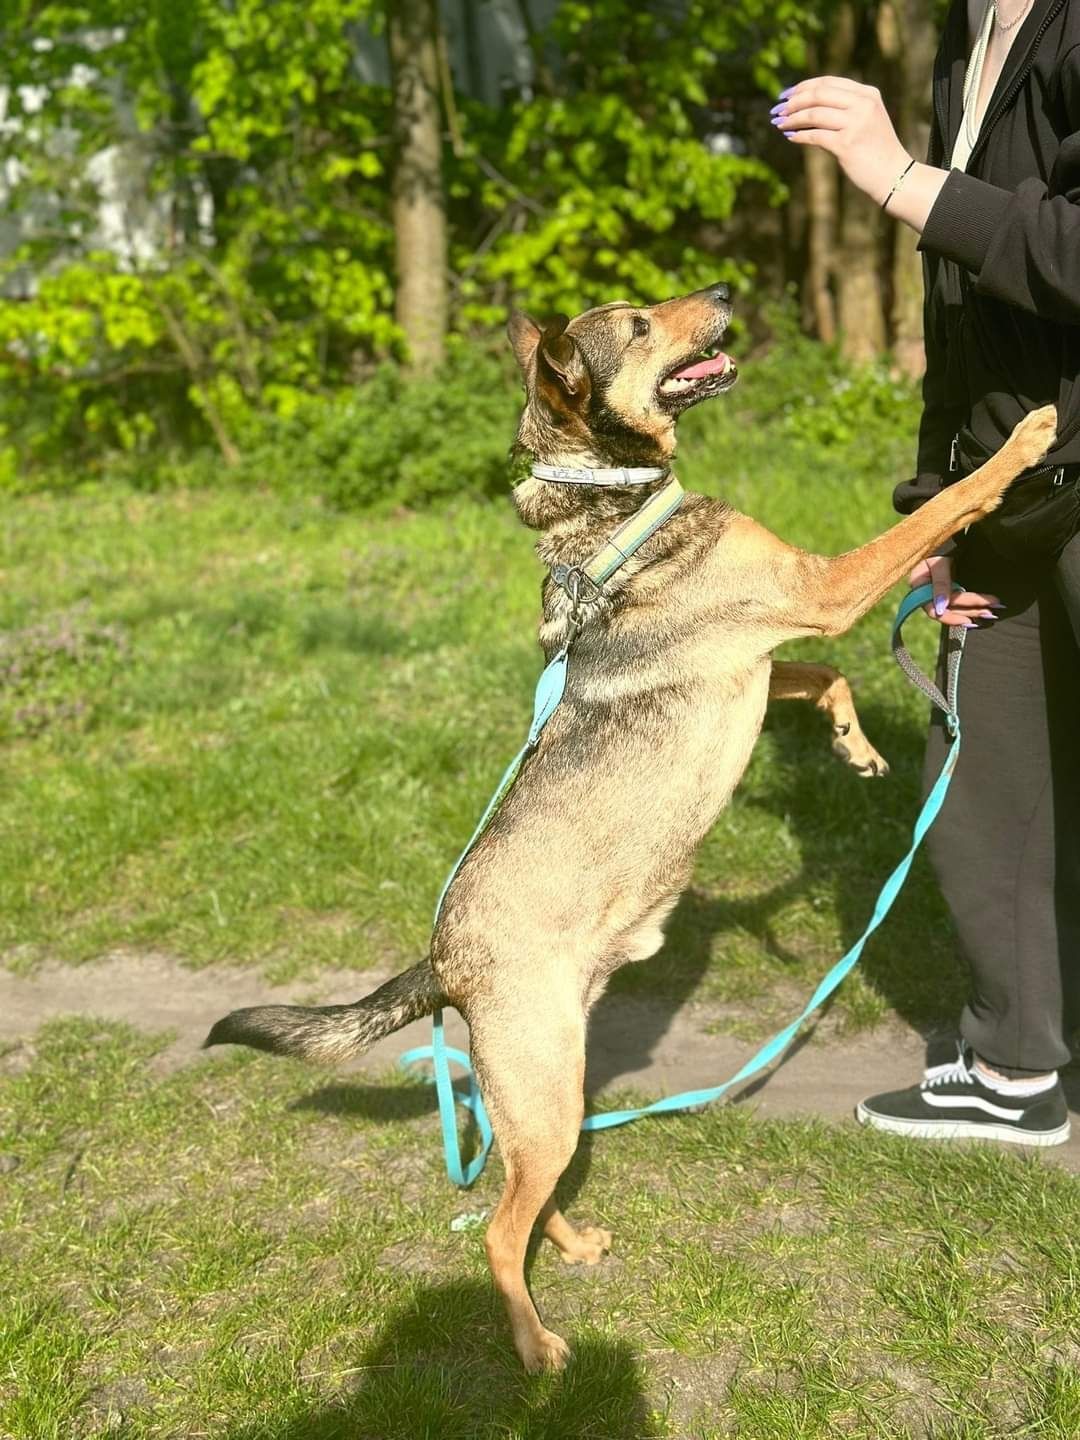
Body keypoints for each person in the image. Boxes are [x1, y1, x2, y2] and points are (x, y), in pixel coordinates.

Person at [774, 0, 1080, 1146]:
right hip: (1015, 479)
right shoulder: (971, 31)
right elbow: (959, 302)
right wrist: (935, 509)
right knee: (981, 776)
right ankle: (1016, 1070)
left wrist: (899, 176)